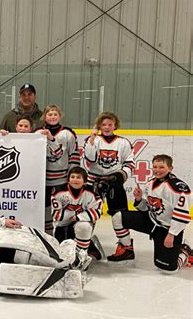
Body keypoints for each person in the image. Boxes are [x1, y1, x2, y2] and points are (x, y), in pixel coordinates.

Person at [109, 155, 191, 271]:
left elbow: (182, 214)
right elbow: (147, 209)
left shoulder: (178, 187)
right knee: (118, 217)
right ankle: (127, 249)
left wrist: (172, 234)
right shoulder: (150, 183)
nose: (157, 170)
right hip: (152, 221)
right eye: (155, 167)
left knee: (168, 269)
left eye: (161, 167)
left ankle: (184, 252)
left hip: (168, 229)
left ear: (171, 168)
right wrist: (138, 200)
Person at [82, 111, 134, 248]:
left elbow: (129, 164)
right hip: (93, 181)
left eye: (110, 124)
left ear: (115, 125)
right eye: (103, 124)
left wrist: (119, 177)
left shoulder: (123, 142)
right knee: (88, 214)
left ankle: (126, 246)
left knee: (119, 216)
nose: (106, 127)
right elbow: (90, 159)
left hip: (114, 182)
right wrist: (92, 139)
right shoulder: (92, 140)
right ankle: (83, 245)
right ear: (99, 125)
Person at [35, 104, 80, 234]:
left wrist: (72, 176)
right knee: (44, 209)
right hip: (42, 180)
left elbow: (74, 155)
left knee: (61, 209)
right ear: (44, 117)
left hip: (61, 180)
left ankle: (62, 235)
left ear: (60, 116)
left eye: (55, 114)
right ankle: (47, 235)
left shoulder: (68, 133)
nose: (52, 116)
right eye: (49, 114)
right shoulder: (38, 132)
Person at [51, 167, 104, 260]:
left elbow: (97, 212)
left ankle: (82, 257)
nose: (75, 179)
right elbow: (57, 215)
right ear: (68, 180)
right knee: (61, 255)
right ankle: (89, 243)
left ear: (84, 181)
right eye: (72, 177)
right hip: (62, 225)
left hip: (81, 223)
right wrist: (74, 215)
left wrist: (79, 217)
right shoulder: (58, 191)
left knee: (84, 227)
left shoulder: (91, 192)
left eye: (79, 177)